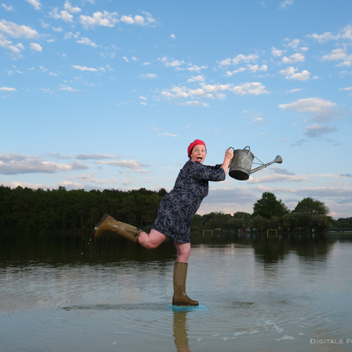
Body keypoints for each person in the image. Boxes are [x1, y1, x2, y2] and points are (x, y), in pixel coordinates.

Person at [93, 139, 234, 306]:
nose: (200, 153)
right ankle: (111, 223)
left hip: (183, 217)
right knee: (151, 242)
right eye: (196, 150)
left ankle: (179, 296)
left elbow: (217, 169)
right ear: (190, 154)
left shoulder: (201, 169)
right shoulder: (191, 167)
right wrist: (227, 158)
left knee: (185, 251)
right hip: (173, 209)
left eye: (203, 150)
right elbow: (219, 175)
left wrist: (232, 162)